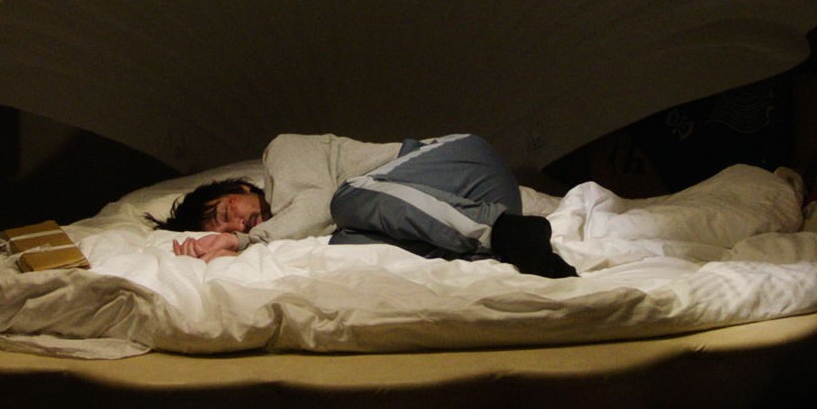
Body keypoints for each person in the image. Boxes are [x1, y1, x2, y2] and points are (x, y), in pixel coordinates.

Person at [154, 133, 577, 278]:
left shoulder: (281, 153)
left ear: (243, 186)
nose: (238, 223)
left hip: (467, 165)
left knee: (347, 199)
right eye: (226, 228)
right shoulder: (287, 230)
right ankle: (499, 245)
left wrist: (243, 243)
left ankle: (503, 232)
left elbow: (319, 205)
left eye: (226, 211)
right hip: (462, 204)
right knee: (345, 244)